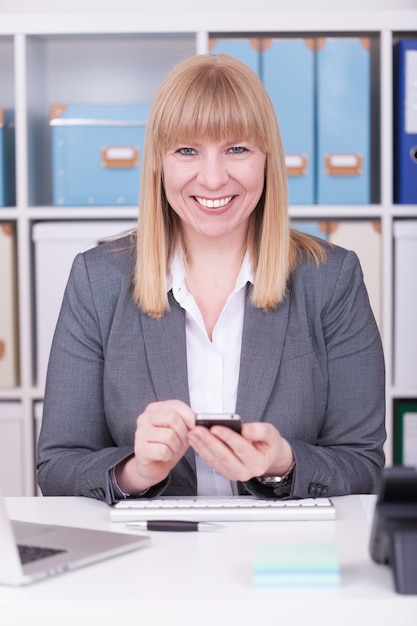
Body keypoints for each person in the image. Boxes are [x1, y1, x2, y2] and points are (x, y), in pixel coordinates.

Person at [37, 53, 386, 504]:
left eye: (236, 149)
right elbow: (59, 466)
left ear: (266, 159)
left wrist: (284, 464)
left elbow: (363, 466)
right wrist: (135, 471)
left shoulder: (331, 278)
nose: (214, 177)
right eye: (187, 150)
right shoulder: (97, 279)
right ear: (159, 163)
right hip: (150, 559)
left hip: (281, 556)